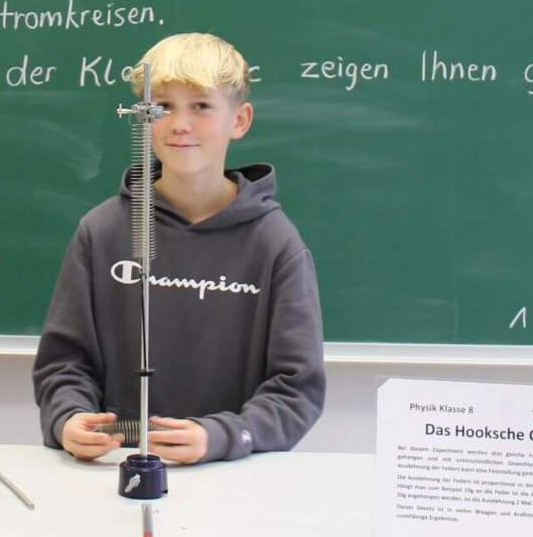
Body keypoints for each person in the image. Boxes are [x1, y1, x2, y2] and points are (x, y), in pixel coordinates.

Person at [33, 31, 324, 464]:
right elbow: (63, 363)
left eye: (201, 106)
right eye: (163, 107)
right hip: (115, 468)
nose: (180, 124)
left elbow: (296, 390)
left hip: (230, 472)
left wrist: (223, 436)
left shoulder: (275, 243)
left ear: (240, 120)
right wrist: (67, 418)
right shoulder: (102, 231)